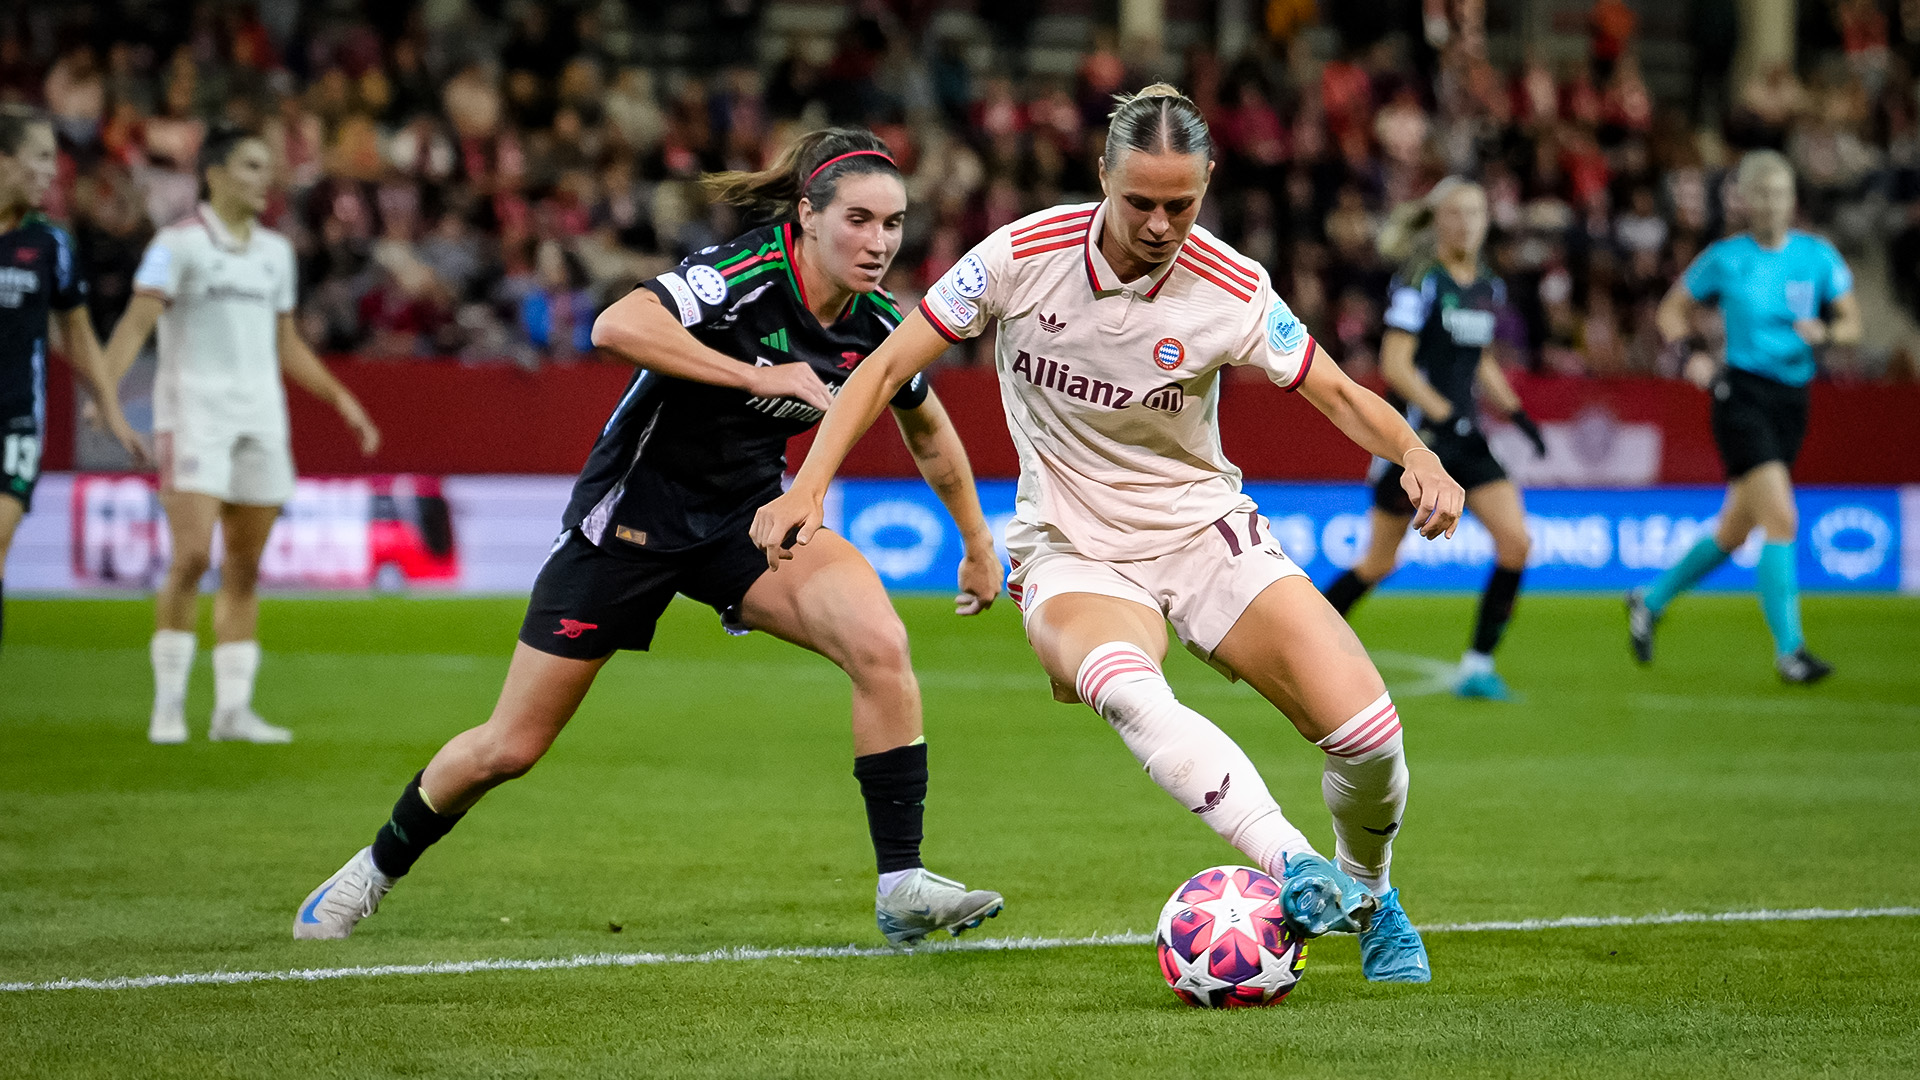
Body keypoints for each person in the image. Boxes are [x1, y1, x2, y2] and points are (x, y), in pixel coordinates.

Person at [754, 88, 1465, 984]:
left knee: (1369, 738)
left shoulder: (1234, 286)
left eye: (1183, 204)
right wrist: (809, 484)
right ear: (1103, 177)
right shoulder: (1021, 255)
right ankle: (1292, 862)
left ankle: (1369, 896)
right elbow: (889, 362)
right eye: (1141, 202)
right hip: (1069, 549)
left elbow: (1334, 391)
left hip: (1203, 531)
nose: (1162, 225)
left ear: (1208, 186)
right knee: (1128, 690)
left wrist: (1416, 453)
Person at [293, 128, 1008, 947]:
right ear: (806, 216)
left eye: (894, 223)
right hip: (629, 521)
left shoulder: (877, 322)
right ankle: (373, 869)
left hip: (747, 520)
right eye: (859, 220)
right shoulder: (741, 273)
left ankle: (902, 883)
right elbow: (614, 325)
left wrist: (978, 542)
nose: (879, 242)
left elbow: (930, 431)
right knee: (510, 746)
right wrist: (753, 374)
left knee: (880, 641)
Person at [103, 126, 382, 743]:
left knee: (245, 568)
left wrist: (342, 399)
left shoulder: (275, 254)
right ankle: (169, 704)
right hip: (194, 416)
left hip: (262, 418)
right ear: (216, 174)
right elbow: (135, 323)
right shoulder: (175, 246)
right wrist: (106, 393)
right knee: (194, 555)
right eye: (253, 166)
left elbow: (285, 343)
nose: (266, 178)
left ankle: (232, 711)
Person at [1629, 150, 1857, 684]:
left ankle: (1650, 599)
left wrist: (1827, 333)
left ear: (1793, 200)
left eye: (1779, 193)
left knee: (1735, 530)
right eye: (1761, 193)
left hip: (1792, 400)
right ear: (1745, 200)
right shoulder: (1725, 258)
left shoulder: (1818, 257)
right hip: (1741, 395)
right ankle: (1791, 652)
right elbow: (1669, 311)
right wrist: (1694, 358)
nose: (1771, 203)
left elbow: (1852, 324)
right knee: (1781, 519)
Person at [1319, 178, 1547, 700]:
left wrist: (1515, 413)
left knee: (1516, 543)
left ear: (1487, 220)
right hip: (1417, 439)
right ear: (1438, 221)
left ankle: (1477, 665)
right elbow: (1394, 365)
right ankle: (1300, 638)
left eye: (1475, 213)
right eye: (1455, 213)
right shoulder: (1419, 280)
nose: (1466, 223)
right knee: (1379, 562)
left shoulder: (1489, 284)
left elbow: (1480, 359)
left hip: (1465, 436)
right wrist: (1445, 416)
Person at [0, 104, 145, 648]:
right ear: (4, 160)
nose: (51, 172)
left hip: (14, 423)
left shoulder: (51, 245)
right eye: (39, 158)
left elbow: (78, 335)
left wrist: (113, 412)